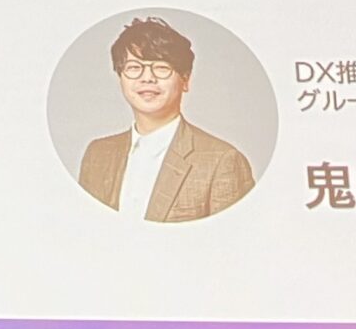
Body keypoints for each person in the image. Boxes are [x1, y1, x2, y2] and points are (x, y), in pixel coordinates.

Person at [75, 16, 255, 222]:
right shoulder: (97, 154)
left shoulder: (223, 161)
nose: (147, 78)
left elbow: (233, 239)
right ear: (120, 77)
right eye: (134, 67)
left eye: (161, 67)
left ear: (185, 79)